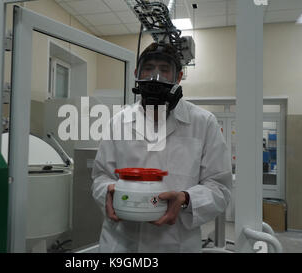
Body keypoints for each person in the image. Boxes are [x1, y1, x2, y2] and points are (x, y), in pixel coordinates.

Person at [91, 42, 232, 253]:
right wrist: (108, 193)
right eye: (148, 69)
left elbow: (220, 188)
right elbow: (101, 177)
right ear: (137, 73)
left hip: (175, 243)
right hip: (121, 242)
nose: (155, 76)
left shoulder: (203, 123)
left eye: (164, 70)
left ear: (178, 77)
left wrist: (185, 199)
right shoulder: (118, 121)